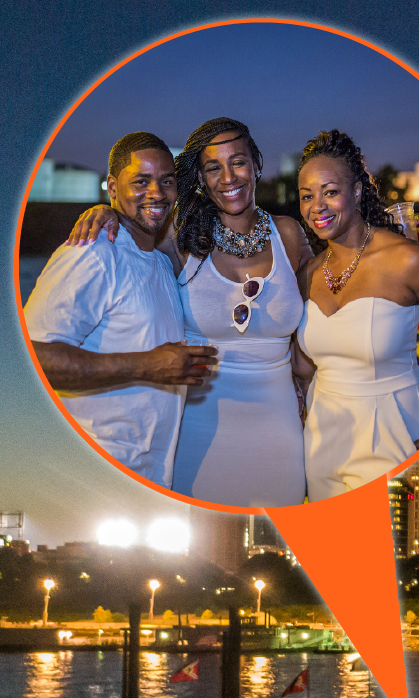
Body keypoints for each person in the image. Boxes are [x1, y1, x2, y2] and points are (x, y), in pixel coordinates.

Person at [67, 118, 313, 507]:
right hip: (197, 430)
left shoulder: (289, 235)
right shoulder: (178, 235)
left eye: (239, 162)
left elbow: (324, 311)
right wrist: (107, 212)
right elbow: (135, 223)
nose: (229, 177)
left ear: (257, 165)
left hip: (280, 430)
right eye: (213, 167)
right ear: (199, 176)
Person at [293, 130, 419, 501]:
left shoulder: (409, 261)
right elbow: (304, 366)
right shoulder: (307, 274)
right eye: (307, 196)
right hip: (319, 437)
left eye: (330, 191)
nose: (317, 205)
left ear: (358, 192)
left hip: (392, 430)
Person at [26, 133, 214, 486]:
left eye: (166, 181)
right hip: (98, 472)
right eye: (141, 181)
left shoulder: (160, 263)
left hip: (151, 474)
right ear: (112, 187)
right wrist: (148, 365)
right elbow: (35, 357)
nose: (156, 193)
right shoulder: (92, 252)